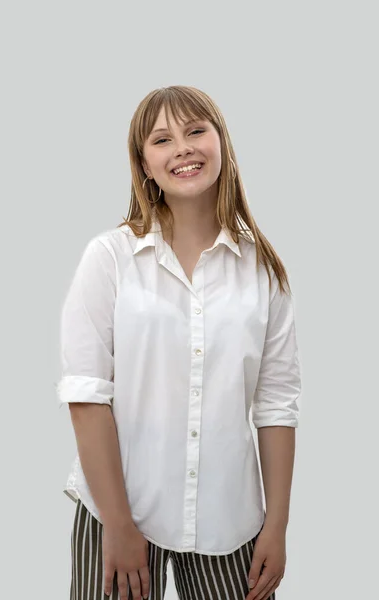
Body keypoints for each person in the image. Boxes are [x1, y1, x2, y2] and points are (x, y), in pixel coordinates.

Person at [56, 85, 302, 600]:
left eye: (196, 131)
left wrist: (276, 528)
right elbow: (87, 396)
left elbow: (276, 406)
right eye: (162, 139)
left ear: (221, 143)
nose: (183, 148)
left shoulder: (264, 272)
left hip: (229, 519)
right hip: (118, 510)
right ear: (144, 163)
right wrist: (120, 528)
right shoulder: (110, 258)